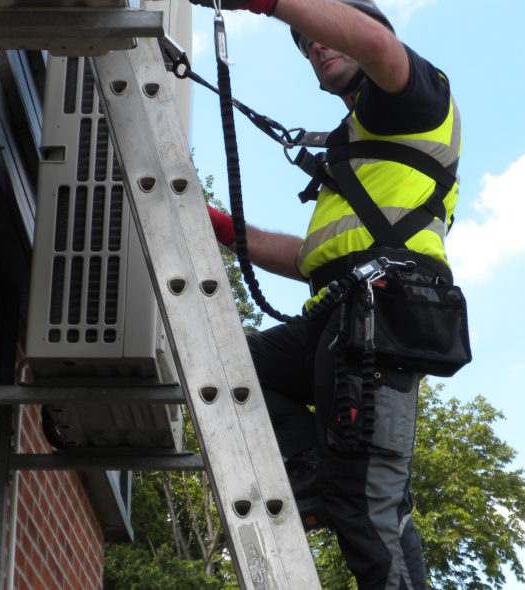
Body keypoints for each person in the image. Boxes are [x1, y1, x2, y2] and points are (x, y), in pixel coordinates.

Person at [198, 0, 462, 588]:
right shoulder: (360, 146)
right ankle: (322, 476)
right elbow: (309, 259)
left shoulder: (413, 98)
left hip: (383, 316)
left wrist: (269, 4)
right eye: (302, 42)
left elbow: (380, 48)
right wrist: (218, 228)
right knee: (231, 370)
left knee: (369, 517)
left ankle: (340, 484)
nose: (312, 44)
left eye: (317, 31)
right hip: (340, 313)